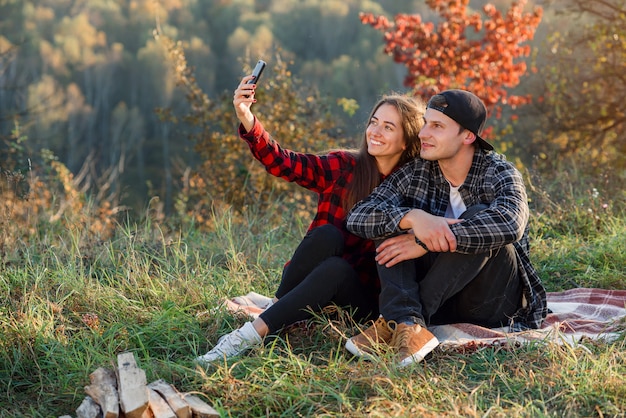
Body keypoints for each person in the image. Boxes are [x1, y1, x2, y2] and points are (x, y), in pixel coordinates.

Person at [194, 73, 425, 364]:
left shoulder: (413, 188)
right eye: (374, 122)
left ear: (406, 141)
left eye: (388, 127)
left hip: (362, 299)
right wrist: (246, 117)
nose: (375, 132)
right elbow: (286, 163)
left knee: (336, 270)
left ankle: (245, 337)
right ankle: (277, 310)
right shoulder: (345, 166)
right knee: (327, 235)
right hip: (310, 278)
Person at [344, 89, 548, 367]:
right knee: (392, 221)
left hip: (491, 301)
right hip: (444, 302)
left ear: (467, 137)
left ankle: (402, 322)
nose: (423, 133)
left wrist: (423, 241)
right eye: (426, 123)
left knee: (479, 216)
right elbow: (359, 215)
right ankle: (406, 324)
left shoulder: (498, 171)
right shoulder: (418, 171)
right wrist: (413, 218)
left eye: (437, 126)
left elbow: (510, 222)